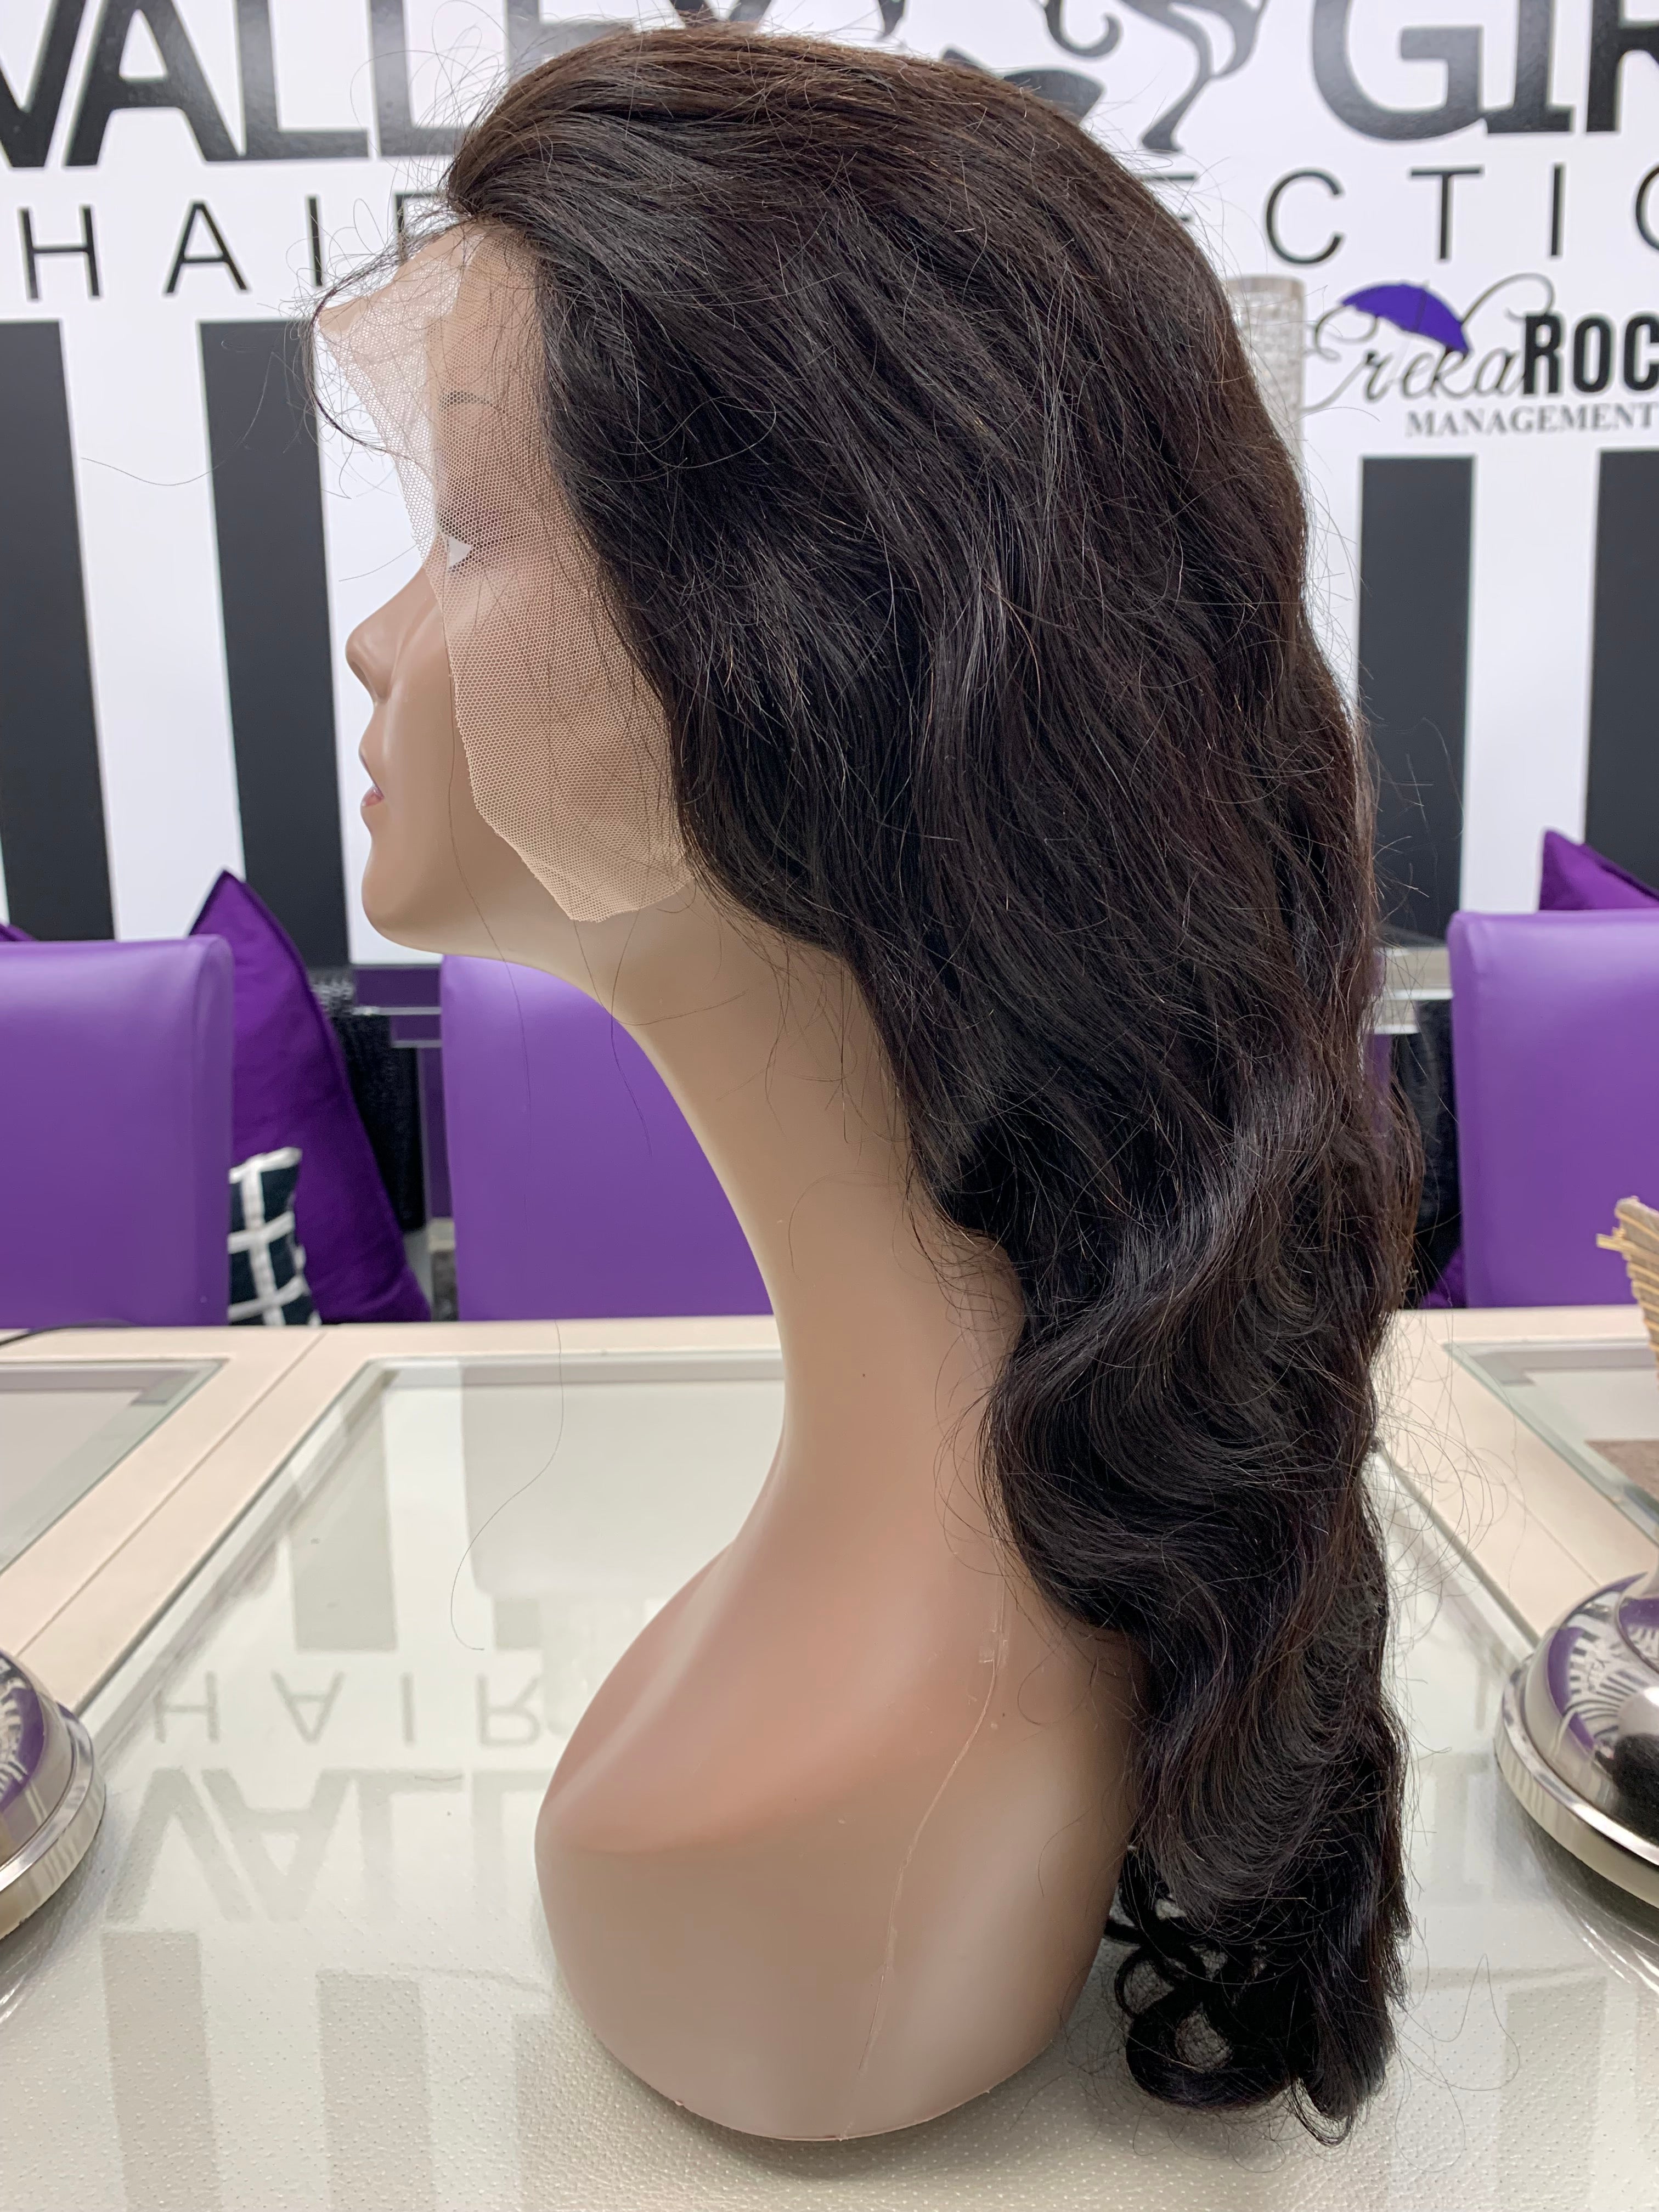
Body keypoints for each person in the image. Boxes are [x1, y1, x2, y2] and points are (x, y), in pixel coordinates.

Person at [321, 24, 1417, 2141]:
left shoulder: (862, 1773)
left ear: (800, 655)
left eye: (466, 530)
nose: (380, 640)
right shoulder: (996, 1559)